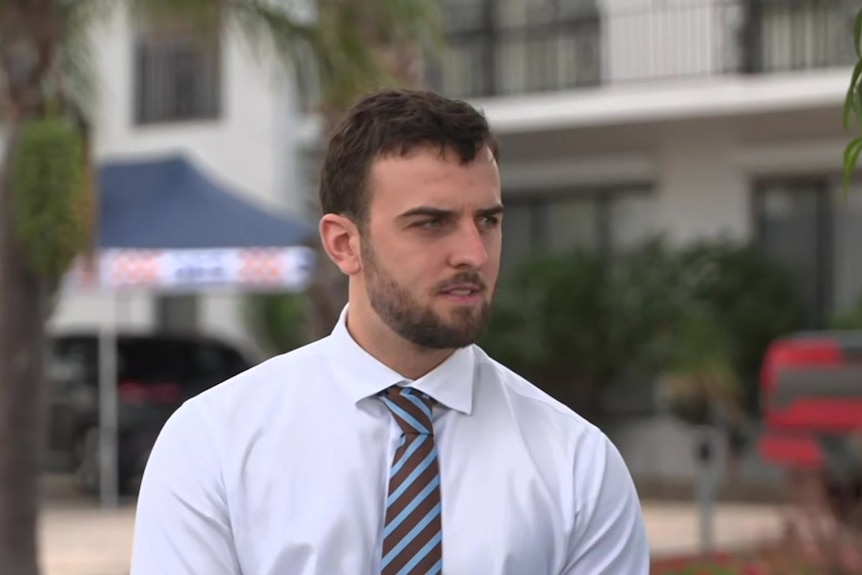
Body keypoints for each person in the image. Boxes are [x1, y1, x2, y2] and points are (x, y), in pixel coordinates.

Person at [129, 88, 650, 575]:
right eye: (431, 223)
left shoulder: (577, 464)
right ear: (343, 244)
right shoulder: (213, 444)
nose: (473, 253)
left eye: (487, 221)